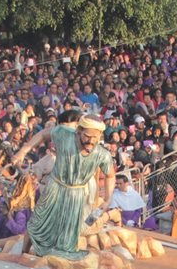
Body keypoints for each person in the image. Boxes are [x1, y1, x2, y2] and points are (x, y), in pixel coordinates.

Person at [13, 111, 115, 259]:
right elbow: (43, 134)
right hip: (55, 187)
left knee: (71, 233)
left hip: (77, 195)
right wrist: (23, 151)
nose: (91, 141)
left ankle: (59, 256)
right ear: (78, 131)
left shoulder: (102, 154)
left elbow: (110, 174)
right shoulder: (65, 134)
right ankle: (23, 254)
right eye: (87, 136)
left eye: (95, 137)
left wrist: (107, 199)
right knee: (36, 223)